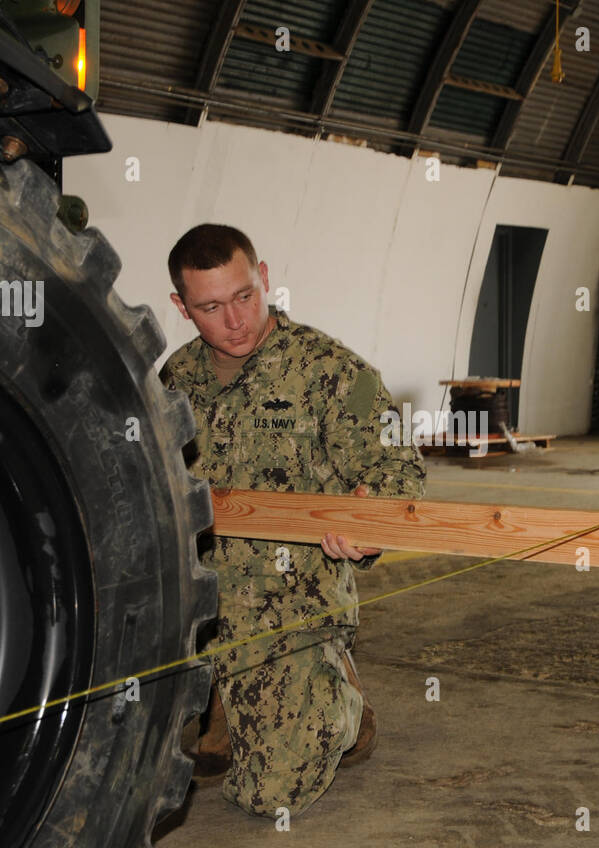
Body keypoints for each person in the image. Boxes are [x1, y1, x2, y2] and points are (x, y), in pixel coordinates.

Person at [160, 224, 426, 817]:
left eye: (245, 296)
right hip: (201, 611)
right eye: (210, 307)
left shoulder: (329, 372)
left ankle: (345, 704)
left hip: (291, 604)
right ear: (181, 307)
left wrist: (367, 518)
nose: (235, 321)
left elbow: (397, 470)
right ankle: (226, 693)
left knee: (268, 796)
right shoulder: (175, 379)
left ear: (265, 278)